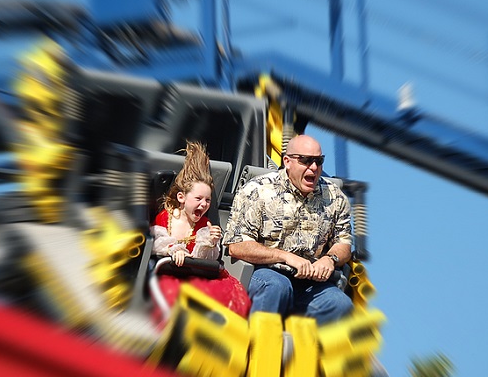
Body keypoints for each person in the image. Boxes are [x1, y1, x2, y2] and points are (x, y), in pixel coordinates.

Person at [223, 134, 353, 325]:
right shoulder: (258, 190)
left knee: (339, 304)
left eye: (319, 161)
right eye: (306, 161)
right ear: (287, 161)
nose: (314, 168)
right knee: (277, 286)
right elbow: (236, 245)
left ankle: (305, 351)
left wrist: (330, 259)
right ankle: (259, 347)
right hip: (266, 273)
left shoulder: (335, 197)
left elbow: (344, 243)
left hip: (311, 283)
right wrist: (285, 257)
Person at [151, 141, 251, 322]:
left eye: (207, 200)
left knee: (219, 297)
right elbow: (157, 242)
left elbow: (207, 259)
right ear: (181, 197)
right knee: (176, 297)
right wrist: (175, 250)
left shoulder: (205, 224)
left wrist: (210, 243)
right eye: (198, 199)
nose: (203, 204)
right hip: (171, 274)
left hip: (196, 276)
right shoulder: (166, 218)